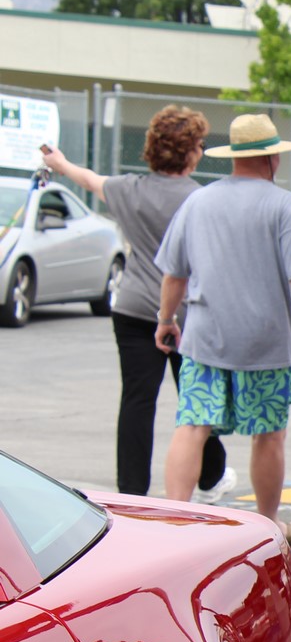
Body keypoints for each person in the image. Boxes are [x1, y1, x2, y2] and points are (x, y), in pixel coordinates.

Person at [155, 112, 291, 549]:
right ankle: (268, 527)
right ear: (271, 157)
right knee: (269, 434)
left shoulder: (199, 201)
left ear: (235, 155)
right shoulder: (283, 205)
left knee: (193, 424)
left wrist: (165, 320)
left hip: (205, 337)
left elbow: (175, 273)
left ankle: (173, 523)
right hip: (264, 343)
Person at [38, 108, 234, 502]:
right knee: (195, 402)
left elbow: (89, 180)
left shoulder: (128, 189)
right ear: (191, 154)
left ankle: (131, 493)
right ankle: (210, 477)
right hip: (187, 314)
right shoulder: (201, 200)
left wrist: (58, 163)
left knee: (137, 401)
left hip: (131, 309)